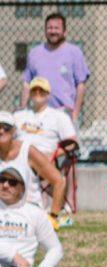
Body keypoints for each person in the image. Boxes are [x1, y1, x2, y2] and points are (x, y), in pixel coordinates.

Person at [14, 77, 78, 206]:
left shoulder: (59, 117)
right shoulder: (18, 116)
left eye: (41, 91)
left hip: (45, 157)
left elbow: (72, 143)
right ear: (30, 94)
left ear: (48, 95)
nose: (38, 94)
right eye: (34, 91)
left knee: (34, 161)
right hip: (19, 156)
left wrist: (54, 154)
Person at [21, 13, 90, 124]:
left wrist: (75, 114)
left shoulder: (75, 52)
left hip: (65, 114)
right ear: (45, 30)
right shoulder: (34, 53)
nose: (53, 31)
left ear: (64, 31)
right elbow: (27, 84)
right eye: (49, 28)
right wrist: (23, 111)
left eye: (56, 28)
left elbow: (81, 86)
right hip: (39, 114)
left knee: (70, 142)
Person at [0, 112, 65, 221]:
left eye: (6, 127)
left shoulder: (28, 151)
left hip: (29, 212)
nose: (1, 131)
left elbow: (59, 181)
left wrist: (53, 217)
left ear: (14, 130)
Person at [0, 165, 62, 267]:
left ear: (22, 187)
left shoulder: (35, 213)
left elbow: (55, 249)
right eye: (2, 180)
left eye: (12, 182)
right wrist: (13, 255)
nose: (5, 185)